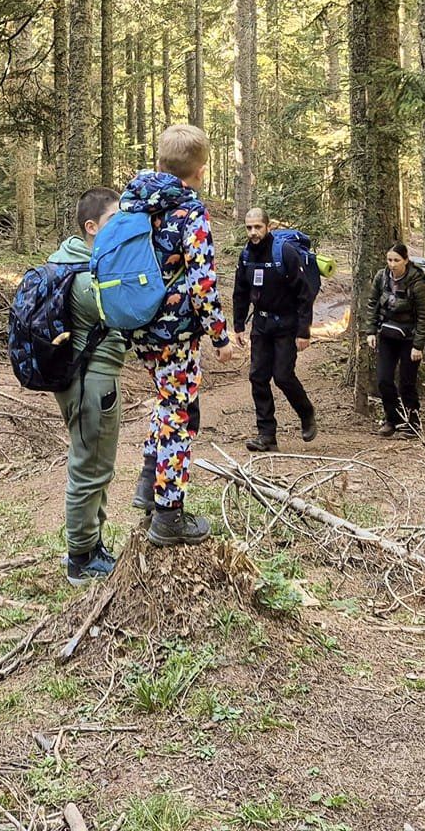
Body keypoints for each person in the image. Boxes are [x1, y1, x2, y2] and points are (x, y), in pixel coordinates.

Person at [122, 123, 234, 545]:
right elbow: (202, 282)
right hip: (176, 334)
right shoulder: (190, 211)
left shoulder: (134, 203)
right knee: (177, 415)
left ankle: (147, 482)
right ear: (200, 171)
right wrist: (220, 336)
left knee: (165, 401)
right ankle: (169, 515)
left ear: (159, 162)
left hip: (138, 323)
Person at [50, 186, 125, 582]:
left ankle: (92, 545)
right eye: (114, 219)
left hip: (78, 377)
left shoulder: (66, 260)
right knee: (90, 468)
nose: (121, 226)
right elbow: (131, 313)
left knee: (94, 463)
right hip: (92, 381)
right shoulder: (87, 276)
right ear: (91, 226)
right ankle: (81, 558)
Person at [232, 208, 316, 453]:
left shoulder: (284, 252)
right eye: (249, 228)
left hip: (286, 325)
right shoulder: (246, 255)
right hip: (261, 324)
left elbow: (304, 294)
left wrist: (304, 331)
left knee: (282, 376)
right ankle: (266, 435)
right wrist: (238, 325)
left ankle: (306, 412)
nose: (253, 232)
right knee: (258, 377)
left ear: (268, 227)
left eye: (258, 227)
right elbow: (240, 292)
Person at [365, 243, 425, 436]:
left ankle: (413, 423)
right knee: (384, 380)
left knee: (406, 383)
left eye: (396, 260)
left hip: (410, 339)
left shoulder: (417, 283)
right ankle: (392, 419)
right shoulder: (382, 277)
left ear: (406, 260)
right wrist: (371, 331)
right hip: (387, 335)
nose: (392, 264)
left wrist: (418, 345)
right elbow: (373, 303)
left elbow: (424, 316)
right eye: (389, 260)